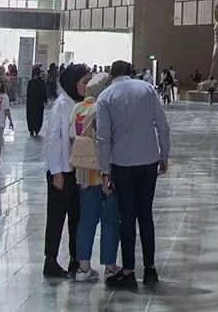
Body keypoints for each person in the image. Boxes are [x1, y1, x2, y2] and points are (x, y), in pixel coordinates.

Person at [96, 59, 171, 290]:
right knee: (145, 214)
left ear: (111, 75)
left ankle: (128, 270)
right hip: (148, 160)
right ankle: (150, 269)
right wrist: (164, 154)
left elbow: (103, 138)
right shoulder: (147, 89)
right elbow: (162, 124)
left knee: (127, 217)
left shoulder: (105, 97)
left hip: (122, 163)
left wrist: (104, 170)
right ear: (130, 72)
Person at [71, 71, 123, 283]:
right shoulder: (103, 107)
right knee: (110, 220)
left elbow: (72, 137)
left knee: (86, 221)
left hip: (84, 173)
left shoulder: (78, 108)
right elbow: (106, 140)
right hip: (103, 175)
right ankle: (110, 265)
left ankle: (83, 267)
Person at [42, 63, 89, 279]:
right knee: (56, 216)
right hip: (61, 171)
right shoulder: (61, 105)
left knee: (76, 217)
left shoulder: (80, 104)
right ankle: (50, 260)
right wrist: (56, 171)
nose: (87, 86)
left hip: (77, 170)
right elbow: (53, 140)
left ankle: (75, 258)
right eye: (84, 82)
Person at [26, 65, 48, 137]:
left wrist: (45, 100)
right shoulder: (30, 82)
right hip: (31, 103)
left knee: (39, 116)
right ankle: (31, 129)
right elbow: (28, 93)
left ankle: (37, 129)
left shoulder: (41, 82)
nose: (35, 76)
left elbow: (44, 92)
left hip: (39, 103)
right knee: (31, 116)